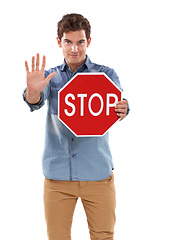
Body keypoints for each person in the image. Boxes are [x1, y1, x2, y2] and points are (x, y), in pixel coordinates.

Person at [23, 13, 129, 240]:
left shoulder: (106, 75)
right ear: (59, 42)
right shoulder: (49, 78)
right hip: (57, 177)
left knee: (103, 236)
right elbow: (36, 101)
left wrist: (124, 108)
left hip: (98, 175)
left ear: (88, 41)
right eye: (68, 42)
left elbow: (119, 104)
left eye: (80, 42)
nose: (74, 49)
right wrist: (32, 92)